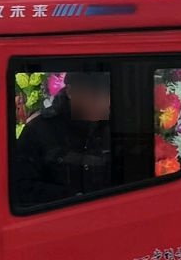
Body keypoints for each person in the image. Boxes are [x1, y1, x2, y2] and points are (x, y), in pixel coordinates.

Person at [13, 71, 112, 208]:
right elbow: (20, 187)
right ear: (71, 92)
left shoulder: (112, 127)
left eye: (106, 94)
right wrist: (72, 199)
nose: (101, 101)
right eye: (93, 94)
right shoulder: (38, 130)